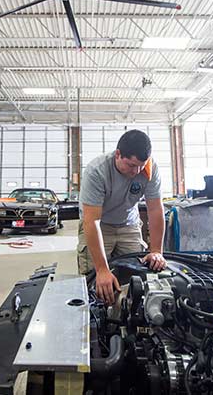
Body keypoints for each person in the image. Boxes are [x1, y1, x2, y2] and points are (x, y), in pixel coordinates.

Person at [77, 129, 167, 304]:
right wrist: (102, 269)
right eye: (132, 165)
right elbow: (91, 220)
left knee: (138, 278)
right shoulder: (97, 171)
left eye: (142, 165)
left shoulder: (150, 168)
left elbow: (155, 209)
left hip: (128, 224)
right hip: (99, 225)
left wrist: (156, 251)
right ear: (118, 154)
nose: (137, 171)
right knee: (94, 281)